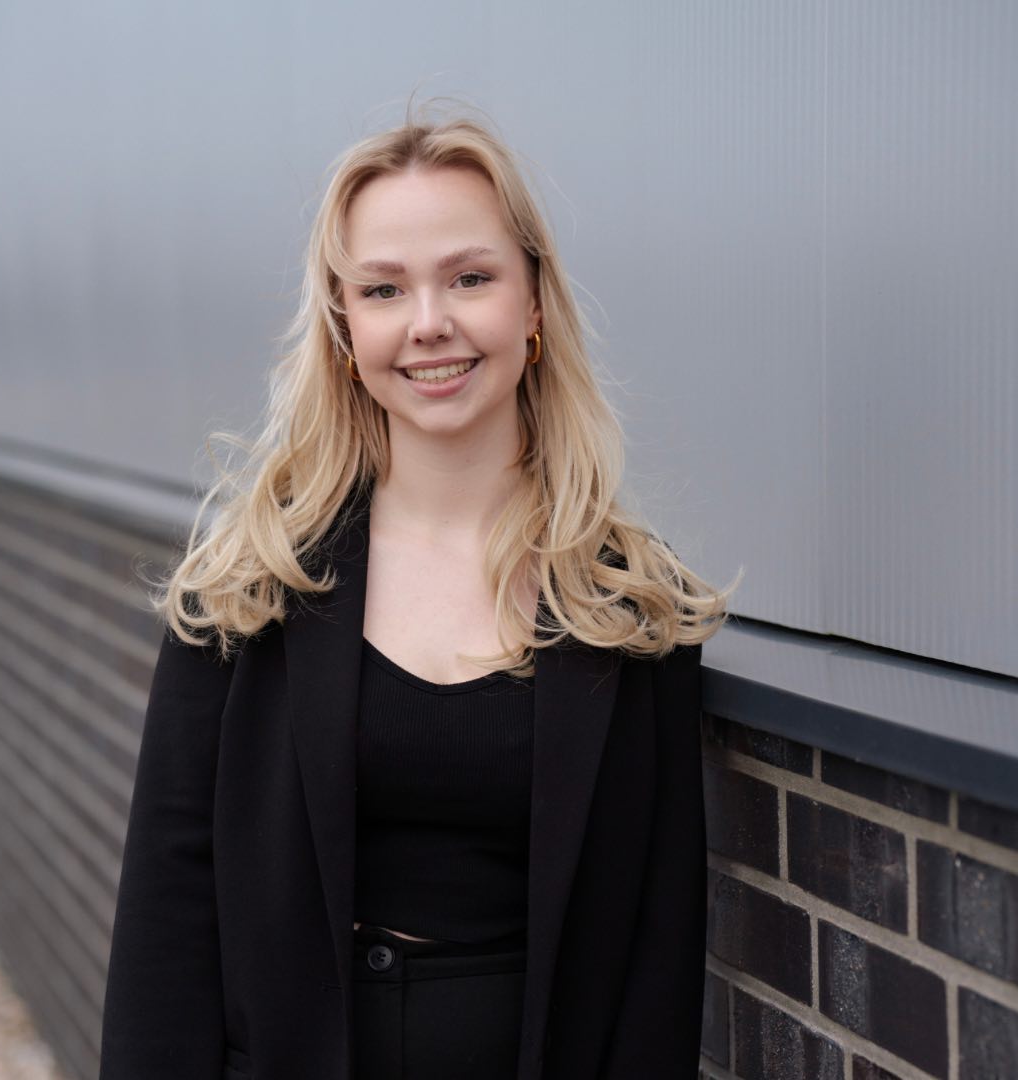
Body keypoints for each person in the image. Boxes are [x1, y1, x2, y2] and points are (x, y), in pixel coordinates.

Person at [99, 107, 738, 1080]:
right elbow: (165, 924)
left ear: (532, 304)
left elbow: (654, 970)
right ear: (345, 324)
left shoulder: (633, 613)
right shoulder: (248, 588)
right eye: (386, 288)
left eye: (470, 278)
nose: (429, 321)